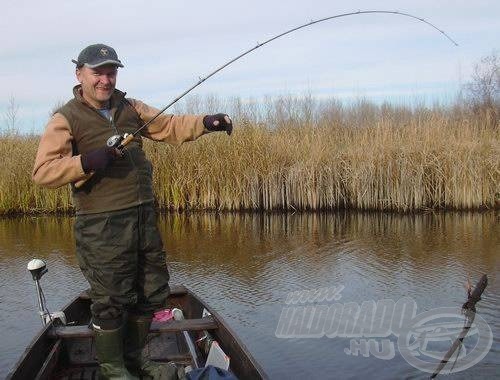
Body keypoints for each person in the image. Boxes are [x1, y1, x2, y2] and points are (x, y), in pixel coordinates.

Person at [32, 43, 233, 379]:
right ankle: (114, 370)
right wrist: (88, 160)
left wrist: (207, 122)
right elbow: (43, 172)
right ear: (79, 73)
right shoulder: (65, 118)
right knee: (110, 301)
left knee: (149, 290)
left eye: (111, 72)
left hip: (143, 219)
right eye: (98, 72)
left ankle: (138, 360)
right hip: (102, 226)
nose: (105, 80)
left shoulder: (131, 107)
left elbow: (169, 126)